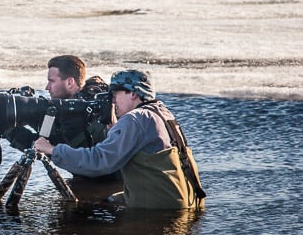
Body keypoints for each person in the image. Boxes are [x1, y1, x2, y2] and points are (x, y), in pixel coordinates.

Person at [34, 69, 206, 209]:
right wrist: (113, 126)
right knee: (108, 201)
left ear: (133, 93)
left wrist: (52, 149)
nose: (113, 100)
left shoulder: (135, 119)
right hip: (186, 201)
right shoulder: (161, 113)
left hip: (160, 212)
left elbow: (99, 161)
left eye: (116, 94)